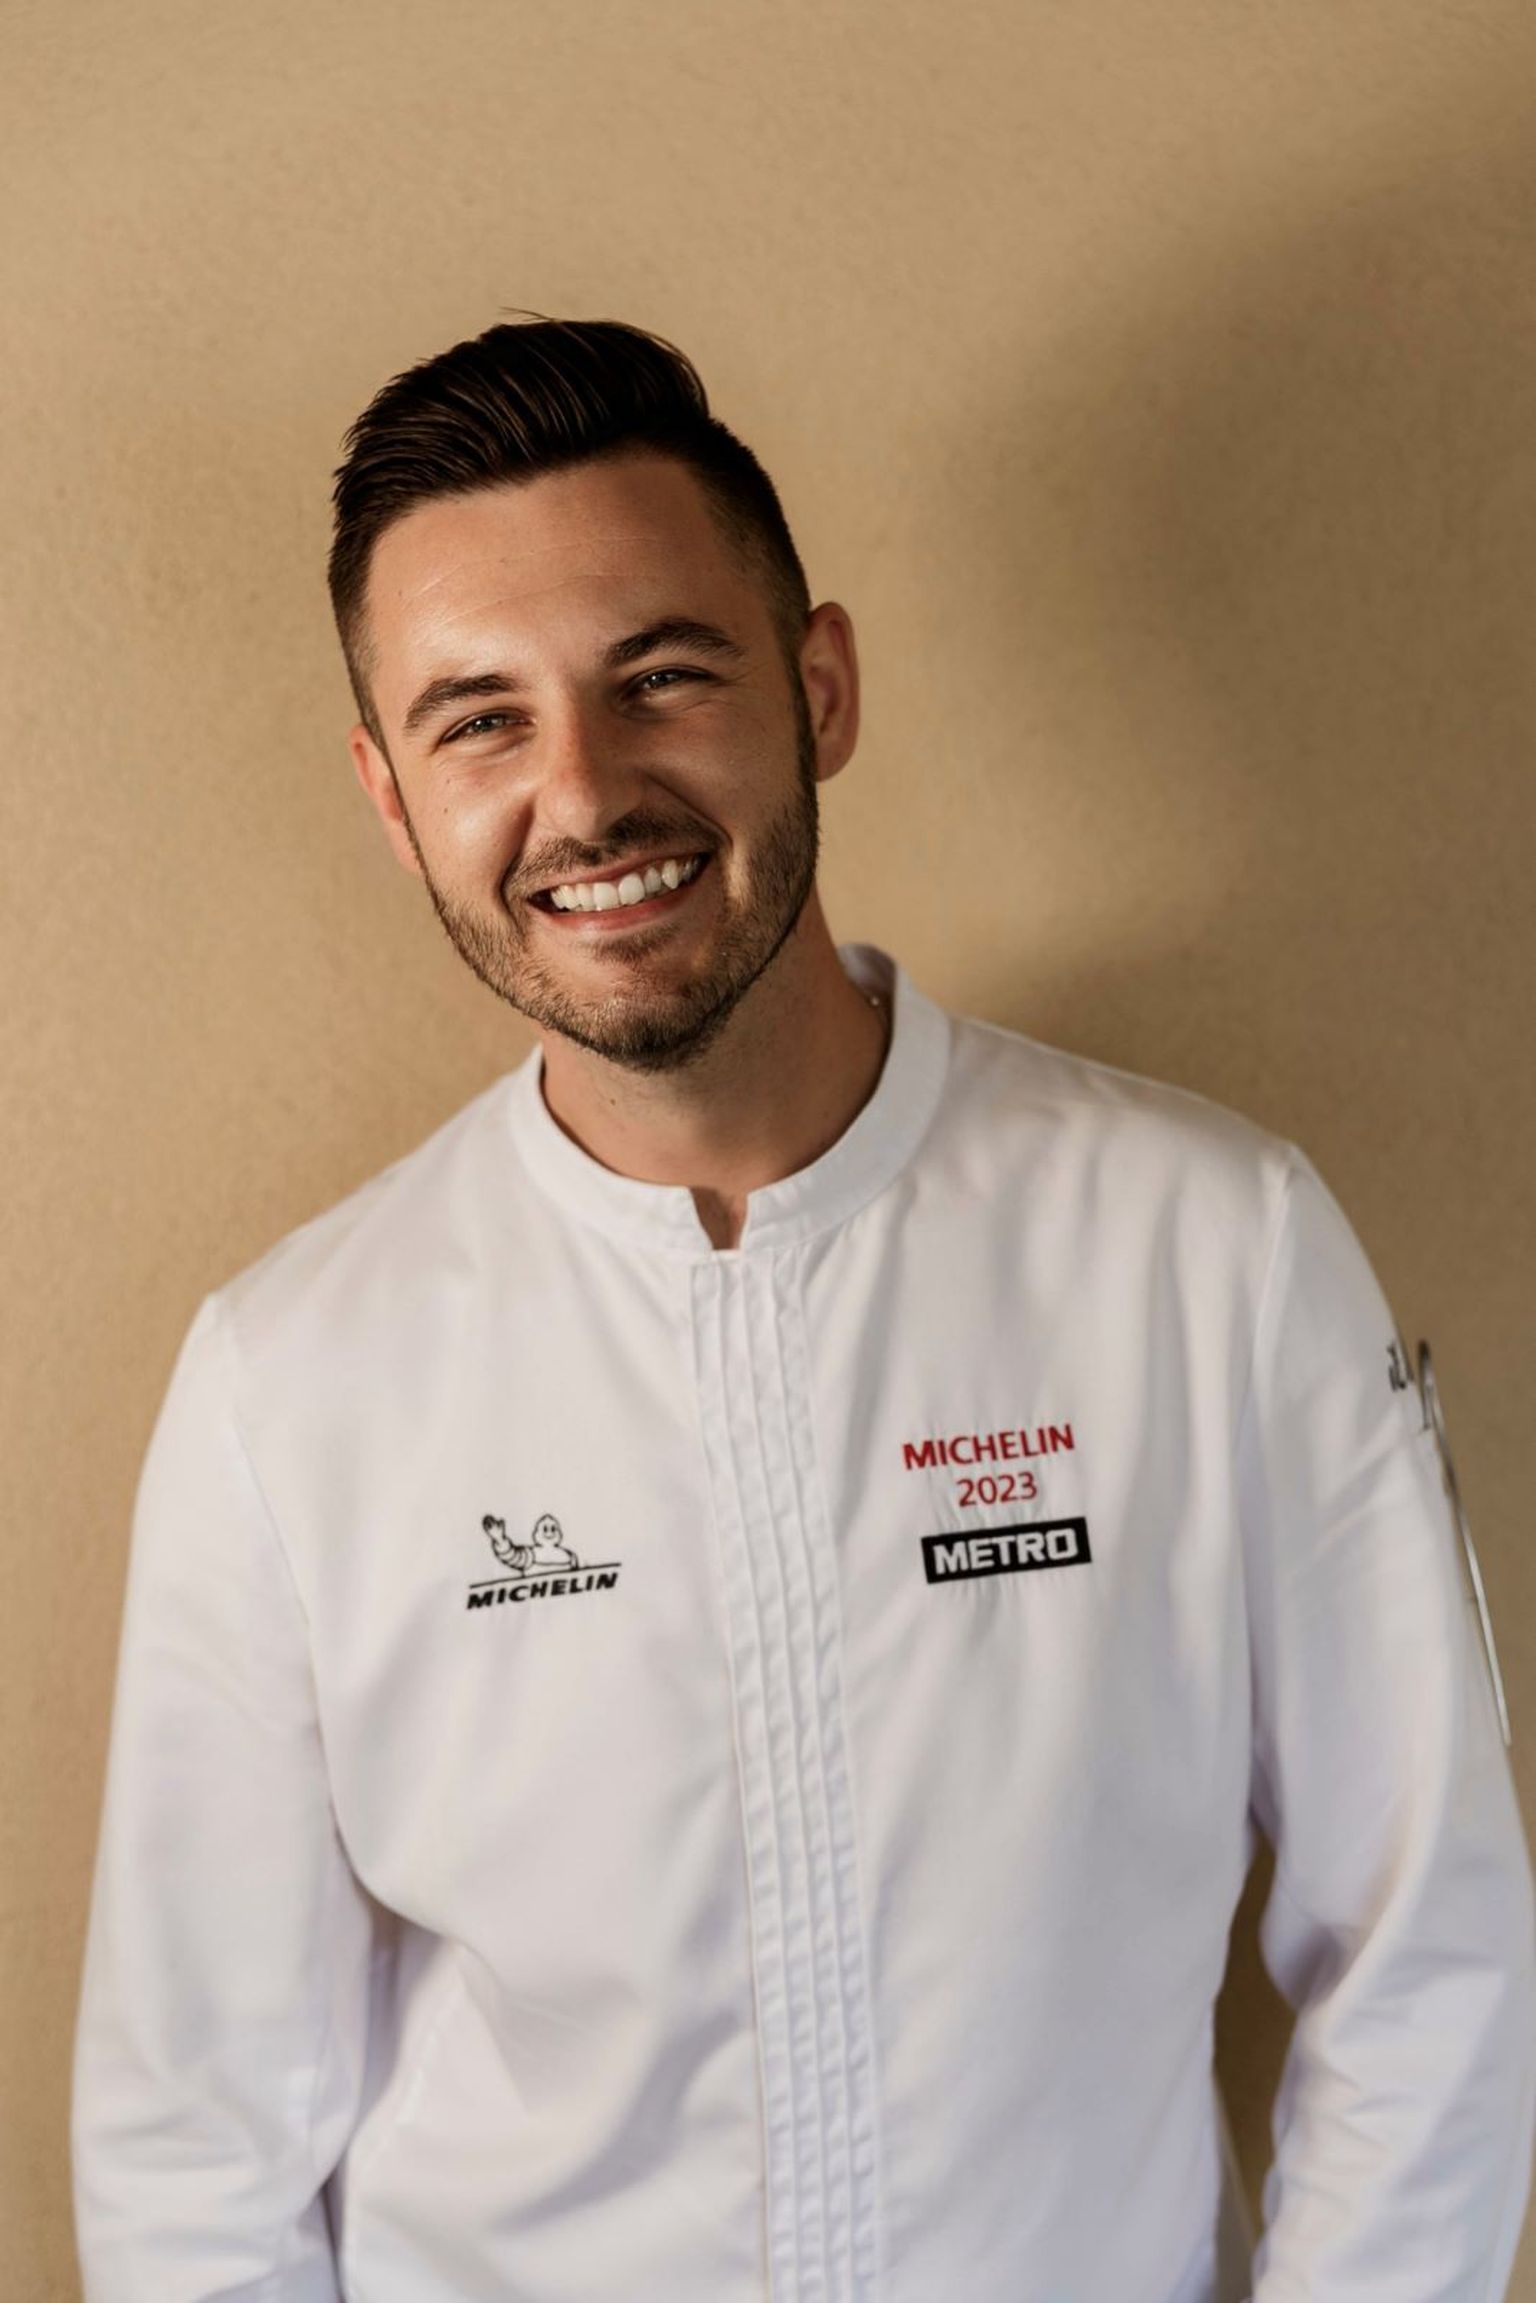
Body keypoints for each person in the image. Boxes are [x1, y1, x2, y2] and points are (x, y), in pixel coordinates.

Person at [71, 316, 1535, 2303]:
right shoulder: (291, 1382)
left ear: (818, 688)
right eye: (479, 721)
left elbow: (1431, 1952)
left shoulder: (1214, 1252)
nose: (585, 794)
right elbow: (198, 2144)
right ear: (391, 797)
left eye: (660, 676)